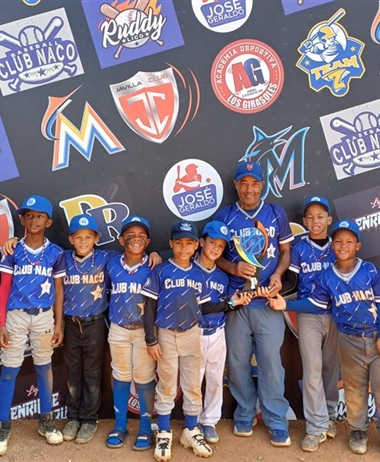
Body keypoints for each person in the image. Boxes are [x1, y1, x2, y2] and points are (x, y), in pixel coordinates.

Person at [262, 220, 380, 456]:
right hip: (348, 337)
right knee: (355, 388)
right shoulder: (326, 276)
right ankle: (357, 430)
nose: (342, 245)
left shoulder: (370, 271)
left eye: (348, 241)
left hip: (374, 335)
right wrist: (287, 303)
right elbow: (318, 303)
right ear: (332, 246)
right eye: (338, 241)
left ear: (358, 245)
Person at [142, 220, 251, 461]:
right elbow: (149, 307)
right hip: (166, 333)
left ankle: (190, 430)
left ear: (195, 246)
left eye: (188, 243)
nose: (183, 248)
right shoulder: (161, 271)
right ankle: (164, 431)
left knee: (192, 385)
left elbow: (207, 306)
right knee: (167, 384)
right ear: (171, 244)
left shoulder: (198, 273)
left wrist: (232, 303)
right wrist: (151, 339)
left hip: (192, 333)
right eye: (178, 243)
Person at [213, 161, 294, 446]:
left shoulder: (274, 213)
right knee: (236, 363)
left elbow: (285, 250)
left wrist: (278, 273)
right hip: (237, 302)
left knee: (272, 363)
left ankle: (276, 420)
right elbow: (214, 255)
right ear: (235, 185)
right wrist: (233, 269)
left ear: (262, 185)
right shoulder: (225, 216)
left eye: (255, 183)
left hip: (267, 301)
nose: (249, 188)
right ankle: (244, 414)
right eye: (243, 183)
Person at [0, 195, 66, 456]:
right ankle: (3, 425)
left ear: (48, 221)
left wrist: (59, 323)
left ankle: (46, 421)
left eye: (39, 216)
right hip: (15, 315)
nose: (34, 219)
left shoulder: (56, 253)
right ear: (22, 219)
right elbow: (4, 287)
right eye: (29, 215)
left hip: (43, 316)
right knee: (9, 369)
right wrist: (1, 322)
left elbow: (60, 290)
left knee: (44, 367)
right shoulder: (12, 249)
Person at [288, 196, 338, 451]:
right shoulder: (299, 248)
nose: (315, 221)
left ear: (328, 219)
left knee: (331, 368)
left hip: (337, 315)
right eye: (310, 216)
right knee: (312, 370)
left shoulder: (340, 245)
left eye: (320, 216)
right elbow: (290, 282)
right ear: (304, 221)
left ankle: (329, 415)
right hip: (308, 315)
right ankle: (315, 426)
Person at [105, 216, 159, 451]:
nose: (135, 239)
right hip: (118, 329)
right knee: (121, 375)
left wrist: (156, 254)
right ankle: (120, 425)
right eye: (130, 235)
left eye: (141, 236)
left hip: (144, 331)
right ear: (120, 239)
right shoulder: (111, 262)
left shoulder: (156, 265)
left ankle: (146, 428)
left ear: (147, 241)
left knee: (145, 378)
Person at [61, 214, 111, 444]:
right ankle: (73, 417)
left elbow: (133, 257)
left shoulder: (105, 258)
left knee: (92, 373)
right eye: (78, 237)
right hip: (71, 324)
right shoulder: (62, 259)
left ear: (96, 238)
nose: (83, 242)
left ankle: (89, 419)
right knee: (73, 372)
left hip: (94, 324)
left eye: (88, 237)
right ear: (71, 239)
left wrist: (153, 254)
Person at [194, 221, 232, 444]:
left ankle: (209, 421)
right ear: (201, 242)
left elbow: (227, 303)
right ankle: (194, 420)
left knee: (215, 379)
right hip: (195, 332)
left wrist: (234, 302)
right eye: (212, 243)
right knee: (194, 378)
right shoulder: (188, 269)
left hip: (217, 331)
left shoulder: (222, 277)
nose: (216, 248)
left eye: (220, 245)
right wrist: (229, 303)